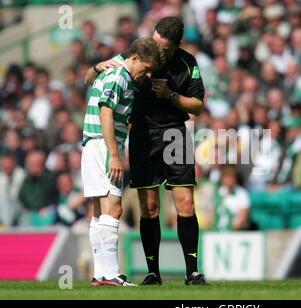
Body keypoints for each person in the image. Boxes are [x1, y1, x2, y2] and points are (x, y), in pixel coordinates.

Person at [85, 17, 208, 286]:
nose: (157, 48)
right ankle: (153, 273)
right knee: (149, 206)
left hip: (175, 132)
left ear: (177, 45)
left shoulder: (188, 63)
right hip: (141, 133)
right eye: (155, 41)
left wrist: (171, 96)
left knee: (185, 203)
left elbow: (198, 105)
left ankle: (193, 272)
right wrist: (96, 67)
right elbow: (90, 78)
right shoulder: (139, 52)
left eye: (163, 46)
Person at [81, 36, 164, 287]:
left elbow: (88, 79)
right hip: (104, 145)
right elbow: (106, 110)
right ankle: (112, 273)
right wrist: (115, 155)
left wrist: (95, 67)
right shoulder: (120, 75)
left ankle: (100, 274)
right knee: (114, 209)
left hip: (92, 143)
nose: (147, 75)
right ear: (135, 58)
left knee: (99, 211)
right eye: (146, 69)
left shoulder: (112, 67)